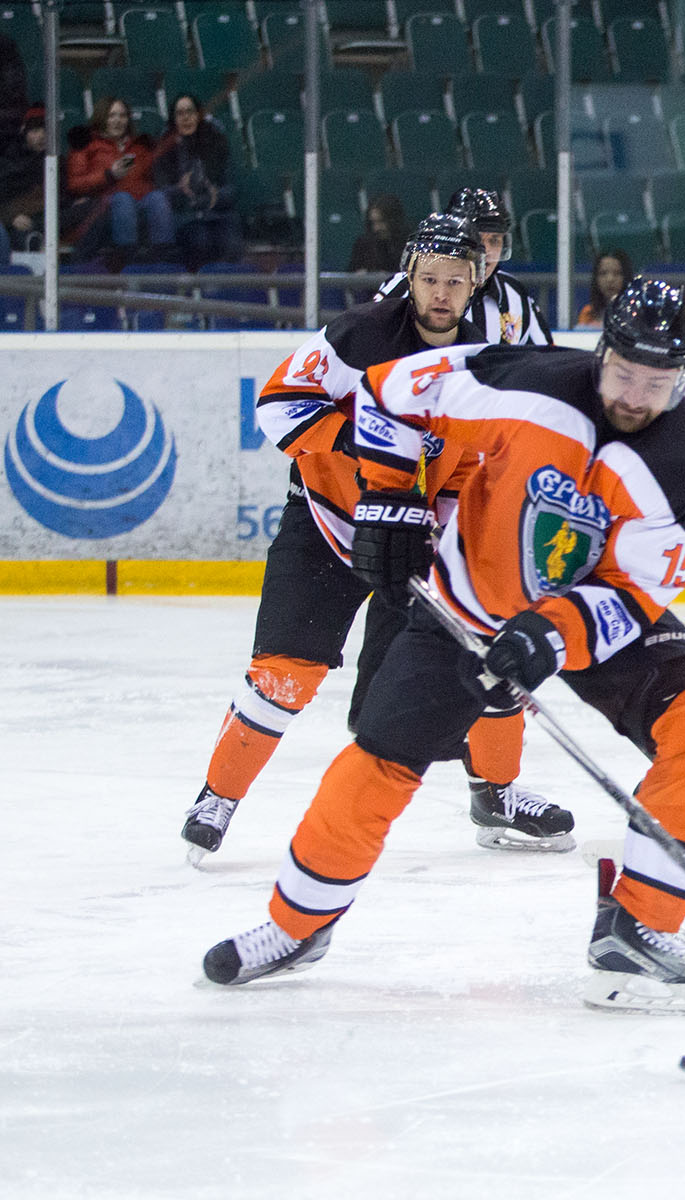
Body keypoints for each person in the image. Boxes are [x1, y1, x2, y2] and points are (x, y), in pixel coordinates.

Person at [203, 279, 685, 1018]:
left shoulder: (679, 458)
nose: (635, 397)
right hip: (469, 600)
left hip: (586, 612)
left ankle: (637, 932)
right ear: (603, 353)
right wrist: (390, 499)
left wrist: (554, 632)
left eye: (657, 383)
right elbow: (386, 391)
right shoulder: (520, 379)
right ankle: (296, 924)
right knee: (379, 760)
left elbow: (638, 587)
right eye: (624, 373)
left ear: (682, 377)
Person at [181, 214, 570, 864]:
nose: (441, 293)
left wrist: (450, 531)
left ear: (475, 284)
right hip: (326, 522)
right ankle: (217, 796)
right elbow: (278, 404)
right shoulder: (359, 334)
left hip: (413, 539)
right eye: (430, 278)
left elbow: (474, 465)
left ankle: (495, 794)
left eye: (455, 280)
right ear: (409, 277)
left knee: (479, 659)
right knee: (284, 675)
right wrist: (363, 444)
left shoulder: (480, 366)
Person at [377, 186, 551, 344]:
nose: (487, 251)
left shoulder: (515, 295)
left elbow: (545, 358)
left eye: (495, 240)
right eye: (477, 239)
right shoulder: (405, 285)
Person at [64, 97, 173, 267]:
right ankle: (127, 259)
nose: (118, 121)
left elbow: (152, 179)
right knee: (123, 199)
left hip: (140, 202)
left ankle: (162, 259)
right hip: (105, 204)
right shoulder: (87, 145)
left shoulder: (139, 146)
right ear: (102, 117)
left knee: (157, 198)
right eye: (112, 115)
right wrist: (109, 175)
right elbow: (75, 183)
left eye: (122, 116)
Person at [151, 93, 240, 270]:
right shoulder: (164, 149)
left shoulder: (215, 143)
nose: (186, 118)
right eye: (180, 113)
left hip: (215, 213)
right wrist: (181, 189)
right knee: (200, 240)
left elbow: (231, 189)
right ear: (173, 119)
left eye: (190, 112)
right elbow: (161, 192)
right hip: (184, 216)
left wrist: (214, 196)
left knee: (231, 242)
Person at [0, 105, 46, 252]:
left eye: (45, 131)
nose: (41, 136)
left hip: (45, 219)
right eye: (35, 131)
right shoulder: (10, 161)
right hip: (15, 221)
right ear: (24, 132)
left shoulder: (57, 162)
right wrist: (11, 217)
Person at [574, 247, 633, 329]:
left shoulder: (635, 312)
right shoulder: (588, 313)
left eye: (617, 273)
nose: (610, 279)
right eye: (603, 273)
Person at [347, 192, 407, 273]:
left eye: (381, 222)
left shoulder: (410, 244)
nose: (376, 228)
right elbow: (351, 272)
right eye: (373, 223)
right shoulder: (363, 244)